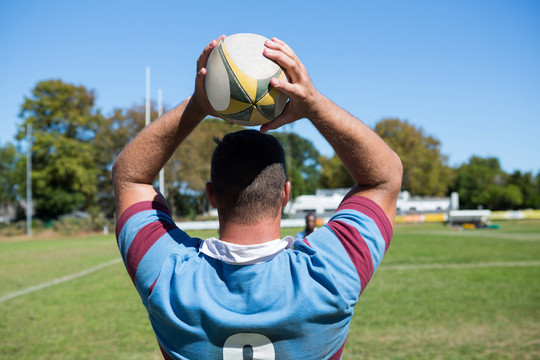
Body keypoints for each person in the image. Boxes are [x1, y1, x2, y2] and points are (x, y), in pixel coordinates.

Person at [113, 35, 403, 359]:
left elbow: (130, 178)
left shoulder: (168, 278)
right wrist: (314, 104)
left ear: (212, 195)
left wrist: (198, 105)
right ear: (285, 195)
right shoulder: (328, 275)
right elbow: (383, 178)